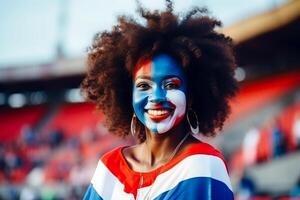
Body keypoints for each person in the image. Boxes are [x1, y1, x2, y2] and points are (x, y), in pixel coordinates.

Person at [81, 1, 238, 199]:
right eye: (143, 86)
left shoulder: (203, 165)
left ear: (191, 95)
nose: (156, 97)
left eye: (171, 85)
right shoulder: (109, 167)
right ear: (127, 95)